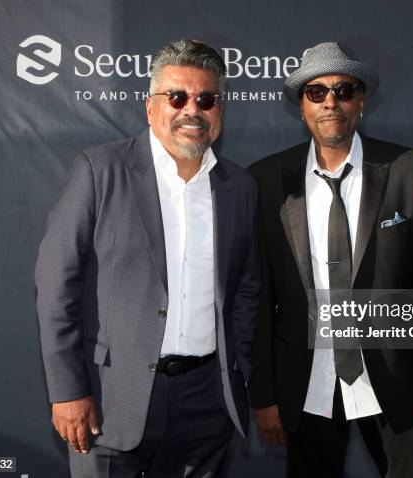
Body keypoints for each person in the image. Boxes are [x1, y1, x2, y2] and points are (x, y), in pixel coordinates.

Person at [35, 39, 260, 478]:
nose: (191, 110)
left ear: (220, 109)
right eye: (176, 97)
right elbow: (56, 286)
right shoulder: (99, 171)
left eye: (206, 99)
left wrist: (239, 369)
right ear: (150, 106)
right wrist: (68, 391)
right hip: (110, 400)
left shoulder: (240, 186)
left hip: (208, 404)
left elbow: (247, 288)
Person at [248, 41, 413, 478]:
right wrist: (264, 395)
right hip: (307, 383)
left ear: (361, 101)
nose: (331, 101)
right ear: (302, 107)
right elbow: (260, 297)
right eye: (317, 92)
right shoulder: (267, 180)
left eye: (344, 90)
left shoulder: (409, 171)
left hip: (396, 382)